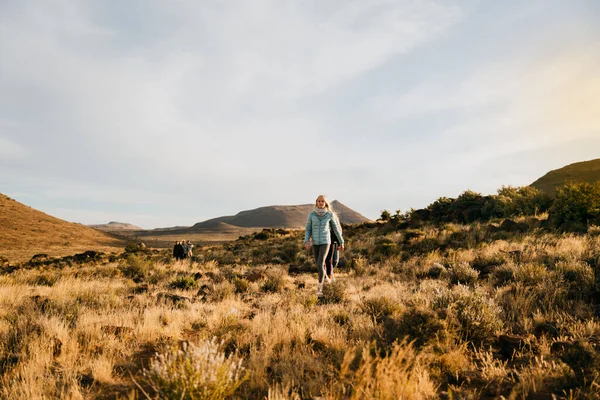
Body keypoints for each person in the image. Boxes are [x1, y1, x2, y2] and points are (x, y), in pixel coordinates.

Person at [304, 194, 344, 296]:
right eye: (319, 201)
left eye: (322, 201)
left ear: (325, 203)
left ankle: (319, 290)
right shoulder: (312, 215)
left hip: (326, 242)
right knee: (318, 264)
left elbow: (335, 229)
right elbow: (308, 229)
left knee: (320, 263)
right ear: (316, 202)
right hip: (315, 243)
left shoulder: (329, 215)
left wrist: (341, 241)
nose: (321, 203)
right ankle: (326, 278)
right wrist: (307, 240)